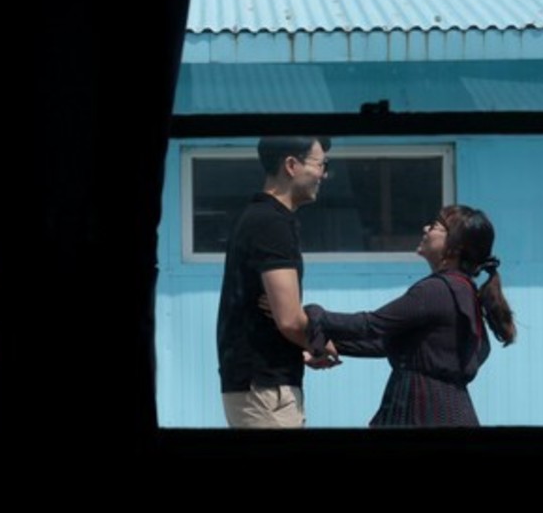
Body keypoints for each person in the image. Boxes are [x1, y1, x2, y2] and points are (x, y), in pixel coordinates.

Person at [303, 204, 516, 427]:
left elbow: (371, 325)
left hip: (420, 413)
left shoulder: (436, 290)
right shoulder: (464, 291)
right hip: (449, 412)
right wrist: (327, 343)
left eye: (435, 226)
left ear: (455, 247)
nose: (426, 229)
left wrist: (315, 314)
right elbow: (386, 343)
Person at [216, 135, 332, 428]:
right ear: (291, 165)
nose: (324, 175)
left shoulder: (259, 216)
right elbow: (290, 320)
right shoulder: (271, 223)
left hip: (259, 387)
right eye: (321, 165)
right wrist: (323, 344)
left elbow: (280, 313)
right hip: (265, 391)